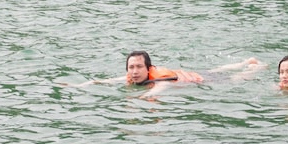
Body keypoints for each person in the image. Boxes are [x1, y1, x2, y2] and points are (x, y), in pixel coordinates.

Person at [74, 51, 264, 95]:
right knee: (217, 69)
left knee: (234, 78)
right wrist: (84, 84)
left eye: (139, 67)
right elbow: (108, 81)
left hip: (200, 80)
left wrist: (143, 97)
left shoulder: (157, 81)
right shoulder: (131, 77)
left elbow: (160, 87)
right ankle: (245, 61)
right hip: (189, 73)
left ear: (149, 69)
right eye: (131, 67)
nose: (134, 71)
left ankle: (255, 68)